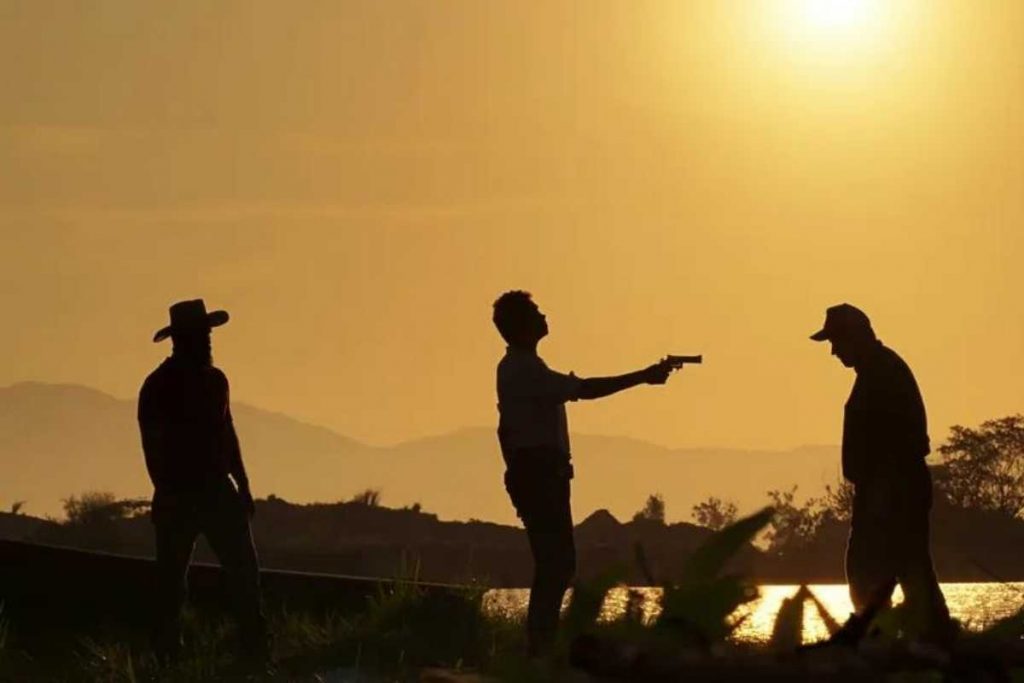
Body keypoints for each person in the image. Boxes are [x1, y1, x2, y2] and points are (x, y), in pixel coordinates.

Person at [492, 290, 682, 656]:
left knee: (557, 564)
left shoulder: (524, 367)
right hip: (540, 477)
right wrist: (643, 376)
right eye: (535, 312)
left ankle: (541, 647)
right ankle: (540, 649)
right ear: (521, 325)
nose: (543, 315)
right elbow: (586, 390)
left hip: (541, 475)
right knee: (556, 565)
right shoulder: (523, 369)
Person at [810, 303, 952, 643]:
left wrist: (884, 491)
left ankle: (891, 636)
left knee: (884, 566)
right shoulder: (878, 370)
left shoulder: (883, 372)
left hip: (892, 489)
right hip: (886, 487)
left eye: (836, 342)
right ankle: (909, 635)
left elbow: (902, 440)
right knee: (898, 566)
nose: (833, 351)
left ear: (854, 337)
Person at [138, 299, 268, 661]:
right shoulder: (159, 386)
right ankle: (166, 656)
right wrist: (170, 490)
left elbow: (227, 432)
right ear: (183, 340)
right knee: (171, 585)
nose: (208, 342)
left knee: (245, 574)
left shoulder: (215, 381)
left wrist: (243, 485)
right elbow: (153, 447)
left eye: (208, 335)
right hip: (181, 494)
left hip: (214, 490)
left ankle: (255, 652)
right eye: (202, 336)